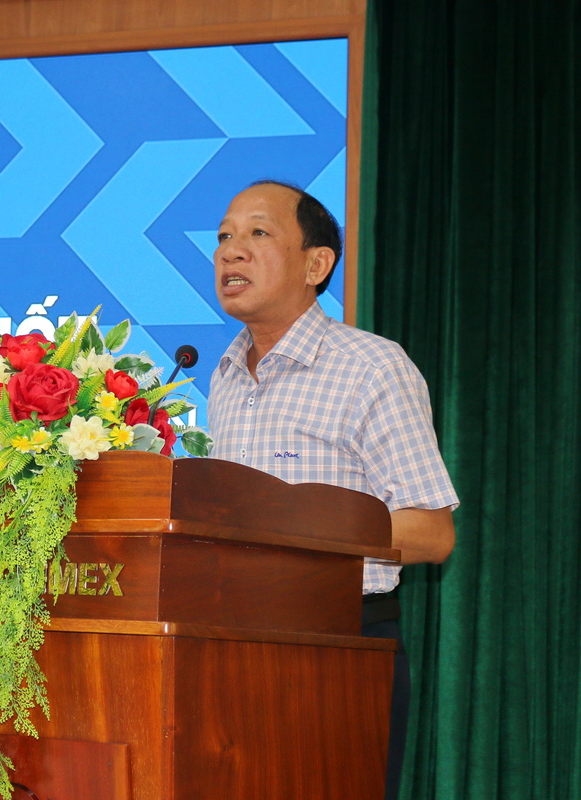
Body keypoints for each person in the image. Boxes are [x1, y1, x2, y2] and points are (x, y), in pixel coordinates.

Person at [206, 180, 458, 800]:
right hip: (229, 643)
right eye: (225, 236)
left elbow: (431, 533)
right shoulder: (224, 374)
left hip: (339, 645)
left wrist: (297, 524)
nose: (231, 251)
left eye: (258, 233)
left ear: (316, 264)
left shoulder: (371, 367)